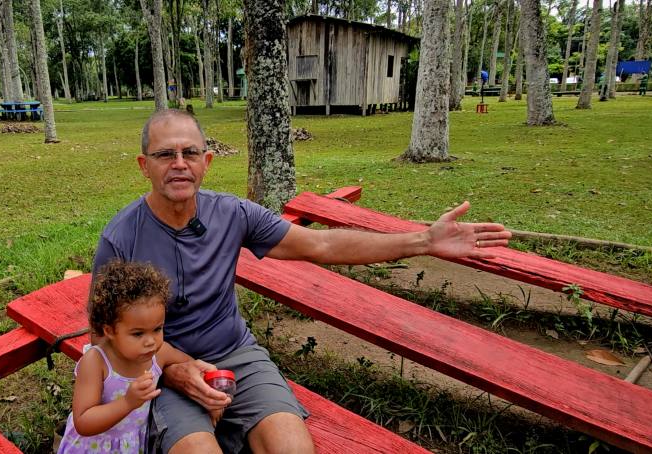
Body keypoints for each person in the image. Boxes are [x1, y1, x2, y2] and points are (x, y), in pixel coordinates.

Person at [91, 109, 512, 453]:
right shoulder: (122, 236)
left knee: (291, 446)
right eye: (165, 155)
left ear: (207, 161)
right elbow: (102, 336)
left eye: (190, 152)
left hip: (235, 354)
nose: (179, 164)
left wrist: (423, 239)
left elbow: (323, 246)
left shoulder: (233, 214)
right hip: (156, 368)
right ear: (144, 165)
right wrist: (176, 367)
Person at [59, 260, 196, 453]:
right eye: (138, 334)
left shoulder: (160, 353)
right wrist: (127, 402)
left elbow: (190, 365)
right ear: (110, 330)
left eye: (157, 329)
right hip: (93, 447)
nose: (151, 341)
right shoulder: (96, 362)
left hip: (132, 445)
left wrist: (204, 372)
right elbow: (83, 421)